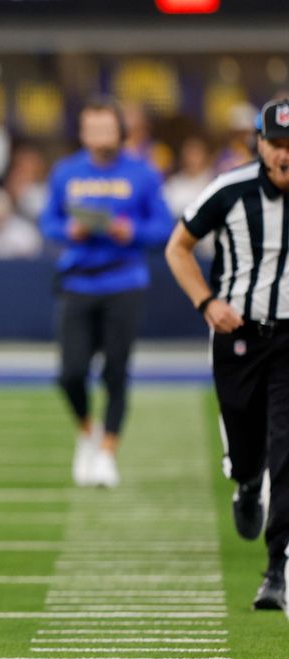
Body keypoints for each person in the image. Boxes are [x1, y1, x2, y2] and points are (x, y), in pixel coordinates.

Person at [164, 98, 289, 611]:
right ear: (259, 144)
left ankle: (278, 568)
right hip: (239, 334)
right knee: (246, 441)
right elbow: (178, 246)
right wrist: (206, 302)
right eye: (278, 144)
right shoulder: (231, 190)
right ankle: (244, 478)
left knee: (287, 450)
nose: (286, 156)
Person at [39, 98, 174, 488]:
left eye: (105, 127)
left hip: (123, 280)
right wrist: (70, 231)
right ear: (82, 132)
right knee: (70, 374)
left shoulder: (143, 172)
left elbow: (164, 226)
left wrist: (131, 232)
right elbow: (49, 220)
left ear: (120, 130)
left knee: (116, 371)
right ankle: (88, 431)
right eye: (91, 128)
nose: (99, 135)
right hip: (78, 280)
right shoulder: (66, 171)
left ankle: (108, 452)